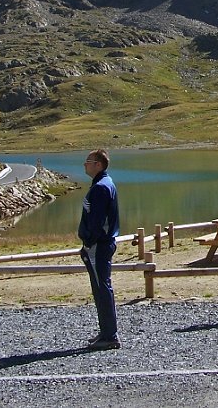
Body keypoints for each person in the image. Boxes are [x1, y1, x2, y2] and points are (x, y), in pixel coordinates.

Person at [79, 149, 121, 350]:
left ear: (98, 164)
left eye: (88, 161)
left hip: (99, 245)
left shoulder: (101, 188)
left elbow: (97, 222)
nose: (84, 165)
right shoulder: (104, 183)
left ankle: (110, 335)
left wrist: (88, 242)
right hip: (101, 243)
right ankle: (105, 331)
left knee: (102, 288)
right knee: (100, 287)